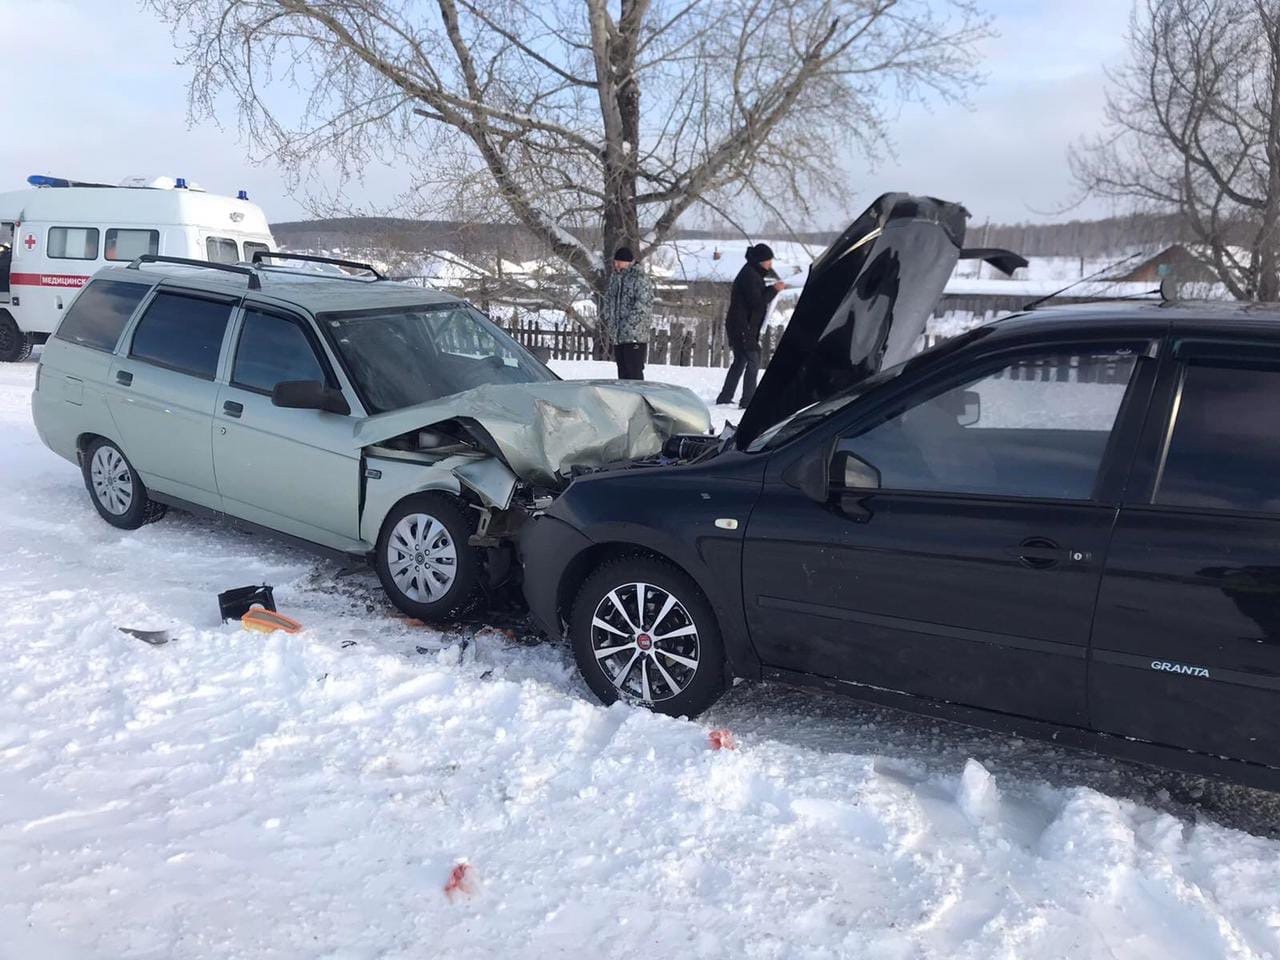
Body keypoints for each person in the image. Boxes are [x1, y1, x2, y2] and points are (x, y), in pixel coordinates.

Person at [716, 243, 784, 407]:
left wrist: (771, 289)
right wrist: (774, 289)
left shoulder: (752, 274)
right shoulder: (750, 276)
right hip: (742, 326)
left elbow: (756, 296)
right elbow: (757, 302)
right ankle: (748, 400)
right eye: (768, 261)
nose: (770, 265)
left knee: (740, 360)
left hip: (741, 325)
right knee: (753, 359)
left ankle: (725, 397)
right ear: (760, 261)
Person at [601, 245, 654, 380]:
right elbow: (608, 299)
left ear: (628, 261)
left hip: (634, 335)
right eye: (615, 262)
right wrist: (609, 317)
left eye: (619, 261)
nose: (616, 265)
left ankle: (637, 398)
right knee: (622, 373)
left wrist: (629, 324)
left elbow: (643, 304)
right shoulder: (615, 278)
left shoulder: (639, 278)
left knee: (634, 372)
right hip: (618, 335)